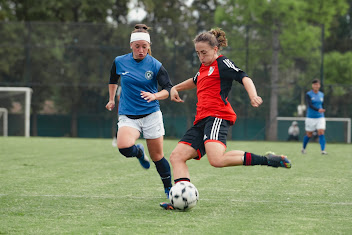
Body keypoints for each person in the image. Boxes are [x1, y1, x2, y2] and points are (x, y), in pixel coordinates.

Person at [160, 28, 291, 210]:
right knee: (176, 156)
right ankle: (180, 198)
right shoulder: (204, 67)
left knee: (216, 160)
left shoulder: (223, 63)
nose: (201, 57)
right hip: (201, 121)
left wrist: (253, 95)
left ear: (215, 49)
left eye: (204, 53)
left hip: (217, 117)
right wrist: (175, 88)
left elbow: (244, 77)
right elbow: (195, 80)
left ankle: (268, 160)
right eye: (198, 53)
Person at [106, 24, 173, 198]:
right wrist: (112, 99)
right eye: (137, 46)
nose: (141, 50)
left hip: (151, 114)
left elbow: (168, 89)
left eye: (144, 47)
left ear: (149, 46)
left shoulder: (155, 65)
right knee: (123, 147)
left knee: (157, 157)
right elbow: (113, 79)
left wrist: (155, 96)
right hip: (128, 115)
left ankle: (169, 190)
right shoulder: (119, 61)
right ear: (131, 45)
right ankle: (138, 152)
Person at [301, 79, 327, 154]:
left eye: (317, 84)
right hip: (310, 117)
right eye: (314, 84)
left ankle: (323, 150)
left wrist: (322, 109)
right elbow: (310, 105)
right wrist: (318, 109)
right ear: (312, 86)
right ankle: (303, 148)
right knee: (309, 134)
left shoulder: (321, 94)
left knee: (321, 132)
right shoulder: (308, 94)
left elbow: (322, 104)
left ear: (319, 85)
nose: (316, 86)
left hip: (320, 117)